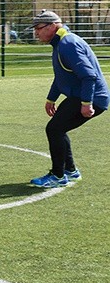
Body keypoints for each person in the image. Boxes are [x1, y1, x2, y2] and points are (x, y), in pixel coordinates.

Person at [29, 10, 108, 188]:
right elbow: (61, 76)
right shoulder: (60, 43)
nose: (36, 32)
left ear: (52, 26)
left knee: (54, 129)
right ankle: (70, 171)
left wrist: (87, 104)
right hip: (80, 96)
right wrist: (51, 99)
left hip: (91, 97)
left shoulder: (68, 44)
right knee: (58, 128)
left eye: (39, 28)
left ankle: (58, 175)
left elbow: (89, 76)